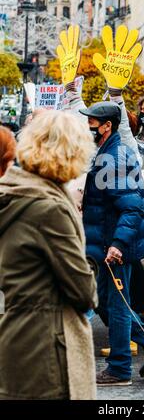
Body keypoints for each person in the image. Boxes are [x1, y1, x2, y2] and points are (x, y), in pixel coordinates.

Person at [0, 111, 98, 400]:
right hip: (47, 343)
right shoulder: (49, 208)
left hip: (14, 329)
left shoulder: (13, 191)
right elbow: (83, 292)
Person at [79, 101, 144, 386]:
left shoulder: (115, 157)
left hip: (114, 247)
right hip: (107, 243)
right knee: (104, 303)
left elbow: (131, 207)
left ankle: (119, 369)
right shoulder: (108, 152)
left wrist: (117, 244)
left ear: (107, 125)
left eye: (92, 122)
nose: (88, 126)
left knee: (117, 306)